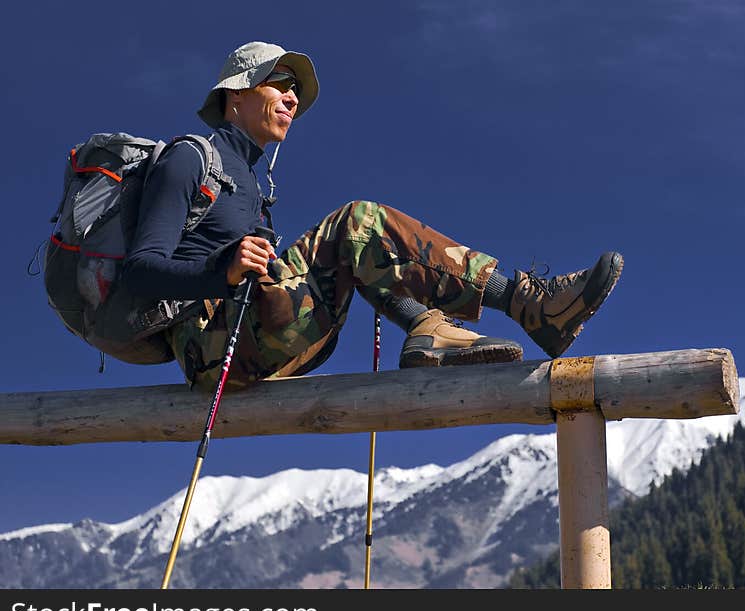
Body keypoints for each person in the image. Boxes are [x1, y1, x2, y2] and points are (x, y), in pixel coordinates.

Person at [123, 41, 624, 392]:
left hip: (252, 334)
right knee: (357, 222)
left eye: (295, 88)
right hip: (210, 345)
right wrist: (222, 270)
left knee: (361, 244)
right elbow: (140, 274)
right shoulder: (190, 158)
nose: (293, 97)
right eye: (279, 82)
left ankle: (428, 328)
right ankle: (527, 304)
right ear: (236, 94)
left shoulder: (256, 184)